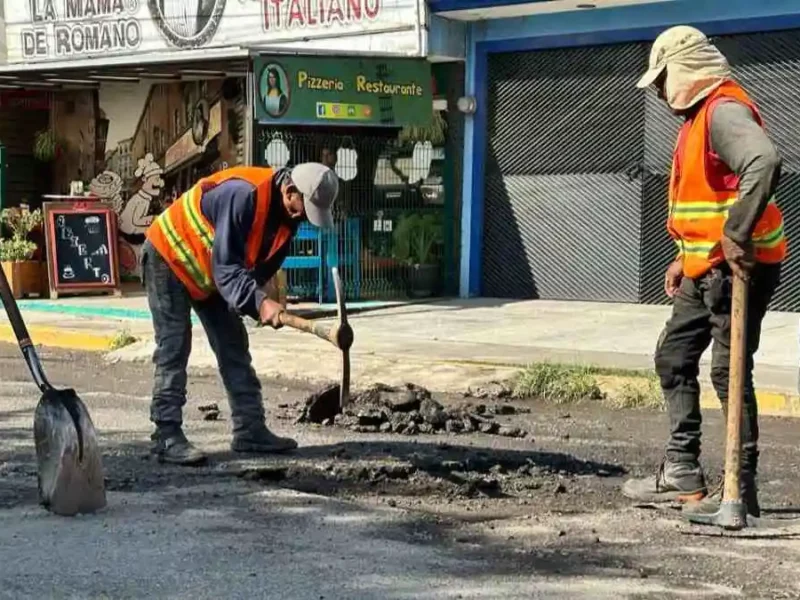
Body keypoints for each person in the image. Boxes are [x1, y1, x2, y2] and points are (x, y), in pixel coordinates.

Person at [621, 26, 787, 519]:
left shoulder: (722, 111)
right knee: (674, 357)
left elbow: (764, 160)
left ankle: (742, 490)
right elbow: (706, 202)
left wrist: (735, 234)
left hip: (739, 267)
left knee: (728, 370)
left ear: (685, 70)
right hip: (705, 266)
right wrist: (685, 255)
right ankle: (682, 473)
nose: (658, 90)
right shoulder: (696, 120)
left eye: (662, 79)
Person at [142, 163, 339, 465]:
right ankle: (166, 435)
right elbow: (227, 270)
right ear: (289, 191)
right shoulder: (244, 195)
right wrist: (260, 303)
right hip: (169, 255)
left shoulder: (289, 220)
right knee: (174, 344)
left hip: (209, 270)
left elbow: (257, 269)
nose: (304, 219)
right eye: (304, 209)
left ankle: (250, 430)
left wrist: (258, 301)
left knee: (233, 342)